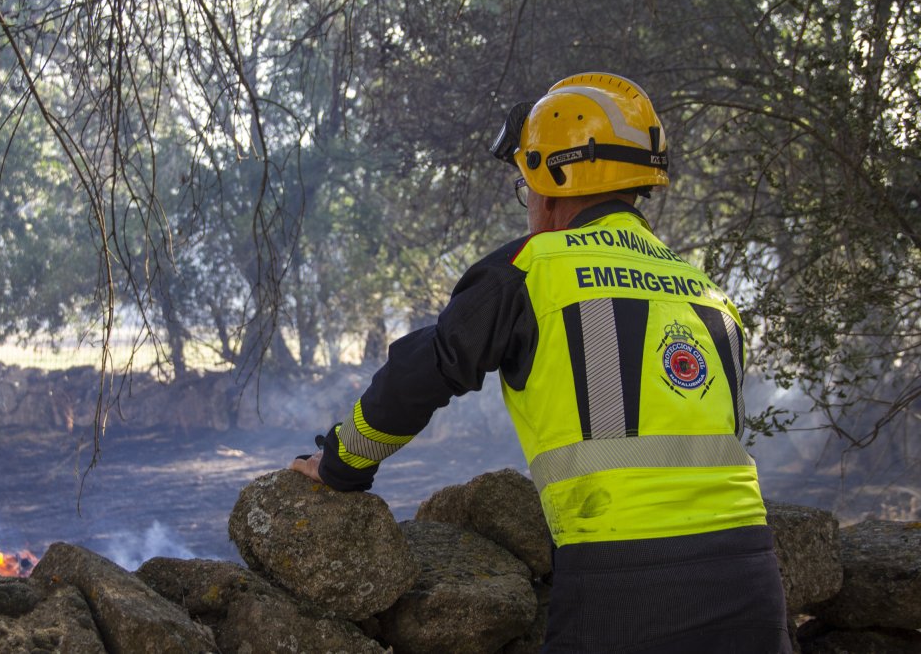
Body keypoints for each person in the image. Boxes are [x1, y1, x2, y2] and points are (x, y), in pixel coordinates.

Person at [291, 72, 792, 653]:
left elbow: (420, 372)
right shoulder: (708, 294)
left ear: (550, 185)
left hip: (619, 581)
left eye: (526, 187)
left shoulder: (531, 268)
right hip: (752, 575)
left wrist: (340, 466)